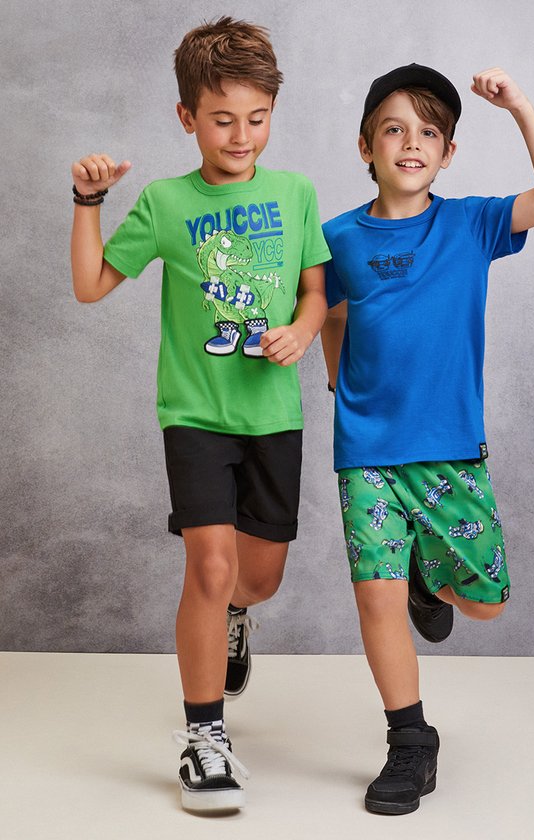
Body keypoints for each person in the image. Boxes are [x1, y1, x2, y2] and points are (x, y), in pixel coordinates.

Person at [70, 17, 330, 813]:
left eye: (256, 118)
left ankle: (237, 615)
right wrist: (88, 201)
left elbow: (315, 293)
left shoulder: (295, 194)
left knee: (257, 576)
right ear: (187, 118)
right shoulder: (166, 200)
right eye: (222, 120)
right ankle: (204, 740)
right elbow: (90, 284)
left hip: (273, 416)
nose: (241, 136)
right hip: (193, 414)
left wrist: (301, 331)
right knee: (209, 569)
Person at [321, 64, 534, 815]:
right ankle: (409, 740)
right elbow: (327, 310)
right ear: (365, 145)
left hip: (450, 449)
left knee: (485, 604)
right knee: (374, 596)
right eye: (393, 129)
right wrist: (339, 381)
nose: (411, 143)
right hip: (367, 450)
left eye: (428, 132)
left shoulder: (471, 224)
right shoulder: (336, 238)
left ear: (448, 152)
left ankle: (429, 582)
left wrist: (519, 105)